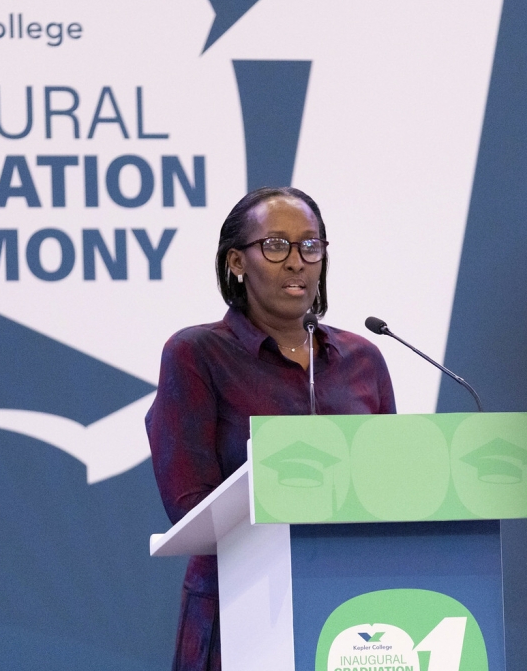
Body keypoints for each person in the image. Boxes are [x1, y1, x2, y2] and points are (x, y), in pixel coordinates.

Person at [145, 186, 397, 671]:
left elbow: (388, 486)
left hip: (353, 607)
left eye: (311, 246)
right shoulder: (197, 354)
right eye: (276, 246)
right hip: (243, 603)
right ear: (237, 262)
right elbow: (187, 504)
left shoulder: (363, 358)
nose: (297, 261)